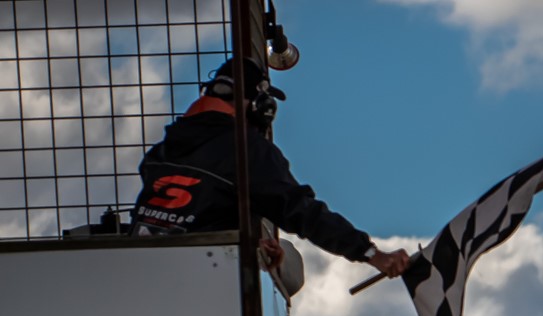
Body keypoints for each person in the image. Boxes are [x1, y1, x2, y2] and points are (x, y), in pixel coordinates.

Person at [131, 58, 408, 279]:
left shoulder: (162, 151)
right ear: (259, 106)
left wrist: (252, 247)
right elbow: (301, 211)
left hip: (139, 272)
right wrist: (371, 253)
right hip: (206, 283)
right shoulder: (247, 150)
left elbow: (191, 216)